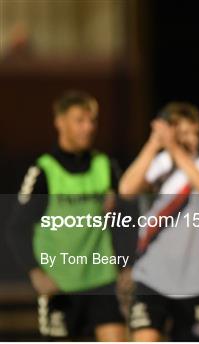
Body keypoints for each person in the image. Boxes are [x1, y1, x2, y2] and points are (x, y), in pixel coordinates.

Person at [5, 90, 127, 341]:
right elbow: (16, 228)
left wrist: (125, 265)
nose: (88, 127)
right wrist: (36, 273)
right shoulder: (44, 171)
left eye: (92, 120)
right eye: (80, 120)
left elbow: (125, 220)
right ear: (60, 122)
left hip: (101, 280)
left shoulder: (105, 166)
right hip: (60, 286)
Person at [118, 101, 199, 341]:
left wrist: (174, 148)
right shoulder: (160, 166)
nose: (191, 139)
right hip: (151, 277)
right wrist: (155, 143)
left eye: (196, 133)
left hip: (196, 281)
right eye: (183, 133)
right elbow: (126, 189)